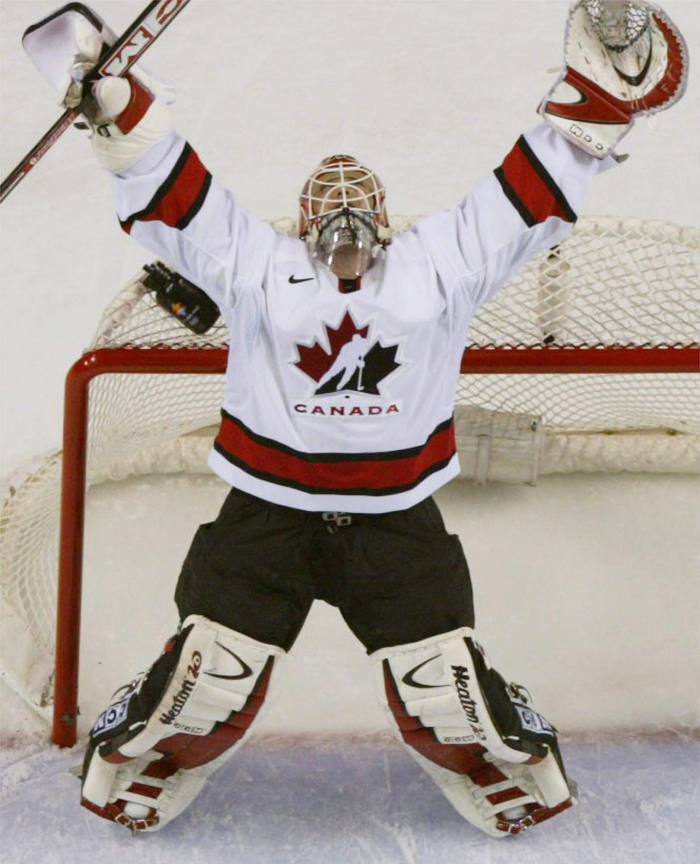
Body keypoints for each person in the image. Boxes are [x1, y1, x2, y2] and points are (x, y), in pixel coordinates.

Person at [23, 0, 688, 837]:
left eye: (357, 210)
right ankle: (155, 749)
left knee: (445, 686)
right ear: (306, 221)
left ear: (380, 215)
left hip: (393, 520)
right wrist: (118, 104)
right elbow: (180, 197)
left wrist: (596, 101)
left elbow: (525, 199)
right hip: (266, 514)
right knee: (206, 676)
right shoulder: (262, 271)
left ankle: (492, 755)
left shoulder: (435, 267)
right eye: (327, 212)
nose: (344, 227)